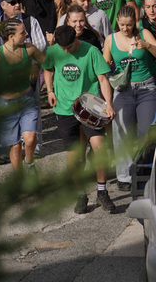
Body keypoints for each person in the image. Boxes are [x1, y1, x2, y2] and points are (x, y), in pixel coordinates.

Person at [42, 25, 116, 214]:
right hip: (65, 109)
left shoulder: (91, 51)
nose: (65, 51)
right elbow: (48, 69)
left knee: (99, 148)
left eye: (68, 47)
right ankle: (80, 194)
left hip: (89, 108)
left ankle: (102, 192)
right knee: (74, 156)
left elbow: (103, 79)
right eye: (62, 48)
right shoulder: (53, 50)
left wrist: (109, 104)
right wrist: (49, 90)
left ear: (75, 38)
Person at [102, 5, 156, 192]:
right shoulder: (111, 40)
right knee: (122, 133)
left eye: (129, 25)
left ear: (135, 23)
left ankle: (146, 170)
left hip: (146, 89)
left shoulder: (143, 33)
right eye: (122, 25)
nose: (126, 29)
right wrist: (108, 64)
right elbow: (105, 64)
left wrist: (147, 46)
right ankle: (124, 176)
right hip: (123, 90)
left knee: (146, 131)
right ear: (117, 22)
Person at [0, 19, 45, 175]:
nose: (26, 34)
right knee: (16, 145)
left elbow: (46, 62)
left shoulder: (29, 49)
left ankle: (30, 163)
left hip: (27, 100)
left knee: (30, 138)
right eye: (23, 32)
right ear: (11, 36)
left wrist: (34, 65)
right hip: (6, 104)